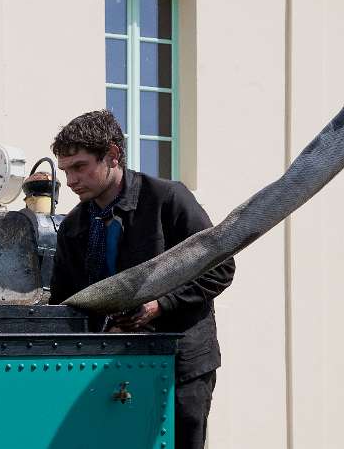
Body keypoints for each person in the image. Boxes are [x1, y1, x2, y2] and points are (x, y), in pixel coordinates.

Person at [49, 110, 235, 449]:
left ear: (113, 155)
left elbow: (220, 269)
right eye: (65, 171)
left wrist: (160, 305)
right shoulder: (74, 226)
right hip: (109, 369)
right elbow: (65, 304)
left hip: (181, 366)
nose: (71, 180)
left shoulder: (168, 199)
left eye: (80, 167)